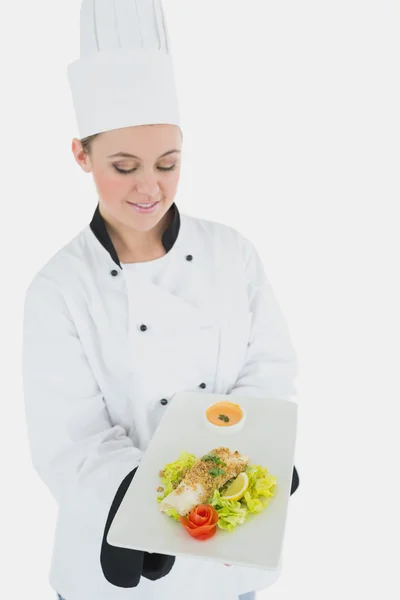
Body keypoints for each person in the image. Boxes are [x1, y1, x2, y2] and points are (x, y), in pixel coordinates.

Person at [22, 2, 299, 600]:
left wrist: (253, 452)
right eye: (124, 167)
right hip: (110, 567)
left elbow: (269, 370)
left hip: (227, 559)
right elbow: (70, 438)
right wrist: (134, 505)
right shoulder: (59, 288)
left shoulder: (233, 253)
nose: (150, 187)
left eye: (168, 164)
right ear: (81, 155)